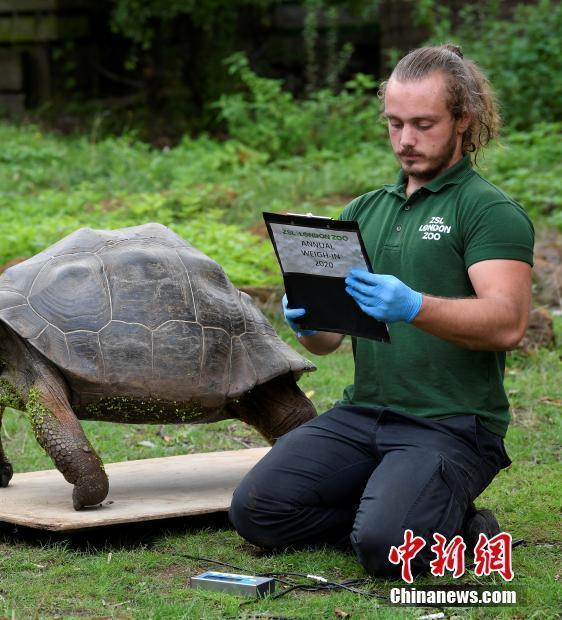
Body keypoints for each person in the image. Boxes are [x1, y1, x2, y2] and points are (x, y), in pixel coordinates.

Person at [229, 44, 534, 578]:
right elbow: (329, 341)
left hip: (451, 426)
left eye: (423, 123)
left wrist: (414, 306)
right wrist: (307, 320)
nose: (406, 140)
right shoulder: (364, 210)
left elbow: (507, 324)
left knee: (385, 550)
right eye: (395, 124)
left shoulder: (490, 211)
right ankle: (395, 513)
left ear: (463, 120)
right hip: (363, 414)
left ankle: (460, 528)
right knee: (257, 511)